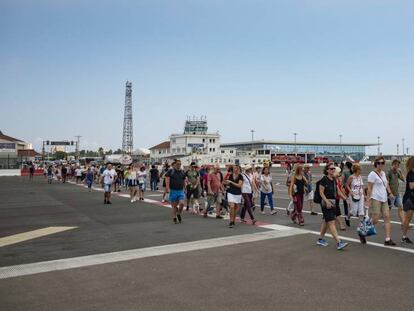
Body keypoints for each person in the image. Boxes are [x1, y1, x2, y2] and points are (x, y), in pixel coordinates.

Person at [316, 163, 349, 250]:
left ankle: (320, 239)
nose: (333, 170)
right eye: (331, 169)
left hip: (333, 202)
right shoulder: (324, 179)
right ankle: (338, 242)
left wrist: (345, 198)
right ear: (327, 170)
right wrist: (327, 201)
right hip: (326, 203)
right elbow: (321, 193)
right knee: (331, 222)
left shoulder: (334, 180)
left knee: (326, 222)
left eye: (334, 168)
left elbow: (337, 191)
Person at [367, 156, 396, 246]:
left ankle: (387, 239)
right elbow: (369, 187)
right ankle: (364, 229)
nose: (381, 164)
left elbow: (386, 184)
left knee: (387, 217)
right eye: (379, 163)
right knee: (375, 219)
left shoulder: (383, 173)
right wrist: (368, 199)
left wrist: (390, 193)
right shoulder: (372, 174)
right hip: (376, 198)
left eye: (382, 163)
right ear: (376, 163)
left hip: (384, 198)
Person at [165, 160, 186, 224]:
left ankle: (179, 213)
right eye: (177, 164)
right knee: (174, 205)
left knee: (182, 203)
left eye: (180, 164)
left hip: (180, 190)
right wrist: (167, 188)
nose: (179, 165)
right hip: (173, 190)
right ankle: (174, 217)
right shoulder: (171, 171)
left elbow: (184, 180)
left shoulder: (182, 171)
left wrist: (185, 188)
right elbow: (167, 179)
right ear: (175, 164)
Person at [387, 159, 405, 225]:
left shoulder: (397, 172)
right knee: (389, 209)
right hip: (390, 194)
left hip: (397, 193)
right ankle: (386, 222)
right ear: (393, 164)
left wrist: (401, 172)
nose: (398, 166)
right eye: (396, 165)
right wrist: (390, 193)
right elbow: (387, 183)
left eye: (398, 165)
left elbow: (403, 180)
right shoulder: (389, 172)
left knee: (400, 207)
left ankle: (403, 223)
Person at [402, 156, 414, 244]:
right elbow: (411, 186)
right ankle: (404, 237)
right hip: (410, 199)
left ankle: (404, 236)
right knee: (408, 219)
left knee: (408, 219)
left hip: (410, 198)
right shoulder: (411, 174)